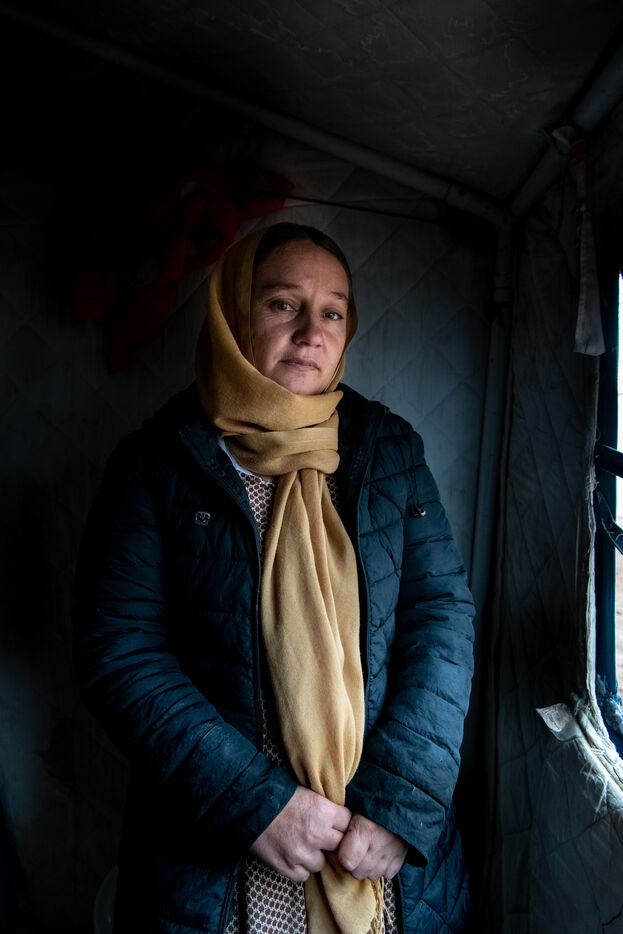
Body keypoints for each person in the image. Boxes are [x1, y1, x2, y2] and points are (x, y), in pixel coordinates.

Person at [73, 222, 475, 934]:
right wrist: (255, 804)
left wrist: (401, 802)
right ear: (235, 314)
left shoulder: (389, 449)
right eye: (282, 304)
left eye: (332, 312)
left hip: (376, 843)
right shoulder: (156, 464)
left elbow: (440, 617)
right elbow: (120, 650)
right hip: (220, 851)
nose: (311, 333)